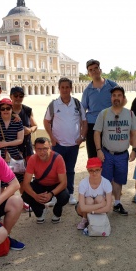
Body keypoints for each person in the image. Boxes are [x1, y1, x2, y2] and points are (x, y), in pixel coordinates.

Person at [94, 86, 136, 216]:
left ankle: (117, 203)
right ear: (111, 98)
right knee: (106, 179)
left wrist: (134, 150)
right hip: (107, 152)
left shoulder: (130, 114)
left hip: (122, 154)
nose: (116, 98)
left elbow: (135, 133)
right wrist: (98, 150)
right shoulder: (104, 113)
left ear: (123, 98)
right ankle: (104, 203)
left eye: (119, 95)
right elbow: (97, 133)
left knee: (119, 179)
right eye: (114, 95)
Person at [44, 77, 87, 205]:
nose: (65, 90)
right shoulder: (53, 104)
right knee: (55, 170)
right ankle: (54, 196)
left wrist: (82, 137)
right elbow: (46, 121)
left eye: (67, 87)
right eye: (62, 87)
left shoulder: (77, 104)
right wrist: (52, 138)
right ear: (59, 88)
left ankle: (70, 194)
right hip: (58, 144)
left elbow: (84, 122)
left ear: (71, 88)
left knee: (70, 170)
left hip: (73, 144)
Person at [22, 137, 69, 224]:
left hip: (55, 184)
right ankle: (40, 210)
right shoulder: (32, 159)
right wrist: (35, 196)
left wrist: (51, 194)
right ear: (35, 149)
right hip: (40, 184)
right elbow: (25, 183)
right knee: (25, 195)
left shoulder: (58, 158)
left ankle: (57, 211)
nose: (42, 152)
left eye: (45, 149)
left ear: (50, 148)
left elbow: (64, 183)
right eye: (39, 149)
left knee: (65, 196)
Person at [82, 59, 118, 158]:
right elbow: (82, 110)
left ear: (100, 70)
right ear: (88, 74)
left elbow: (122, 101)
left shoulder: (112, 85)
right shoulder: (87, 91)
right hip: (92, 125)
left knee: (110, 154)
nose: (94, 71)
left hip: (109, 124)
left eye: (96, 68)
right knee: (93, 155)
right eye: (91, 70)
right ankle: (95, 173)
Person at [75, 157, 113, 230]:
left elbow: (108, 208)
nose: (94, 173)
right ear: (88, 171)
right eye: (91, 170)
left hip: (91, 209)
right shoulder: (83, 183)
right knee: (89, 200)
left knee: (100, 198)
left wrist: (92, 211)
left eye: (97, 170)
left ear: (101, 169)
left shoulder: (106, 183)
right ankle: (85, 219)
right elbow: (82, 207)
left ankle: (98, 219)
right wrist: (101, 204)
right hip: (85, 209)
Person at [0, 98, 24, 163]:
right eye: (3, 109)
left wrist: (6, 144)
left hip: (14, 157)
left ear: (11, 109)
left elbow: (20, 140)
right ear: (0, 110)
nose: (5, 110)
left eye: (8, 108)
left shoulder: (18, 122)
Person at [10, 86, 38, 164]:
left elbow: (35, 126)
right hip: (11, 148)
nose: (18, 98)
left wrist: (29, 130)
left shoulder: (27, 110)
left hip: (26, 148)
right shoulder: (5, 109)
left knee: (28, 172)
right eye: (15, 95)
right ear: (10, 96)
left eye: (21, 96)